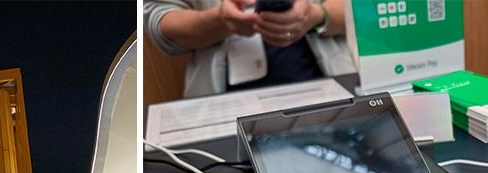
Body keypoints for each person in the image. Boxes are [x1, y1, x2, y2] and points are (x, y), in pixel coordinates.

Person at [144, 0, 354, 98]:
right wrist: (218, 21)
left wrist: (319, 16)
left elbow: (373, 7)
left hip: (331, 90)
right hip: (222, 109)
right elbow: (159, 19)